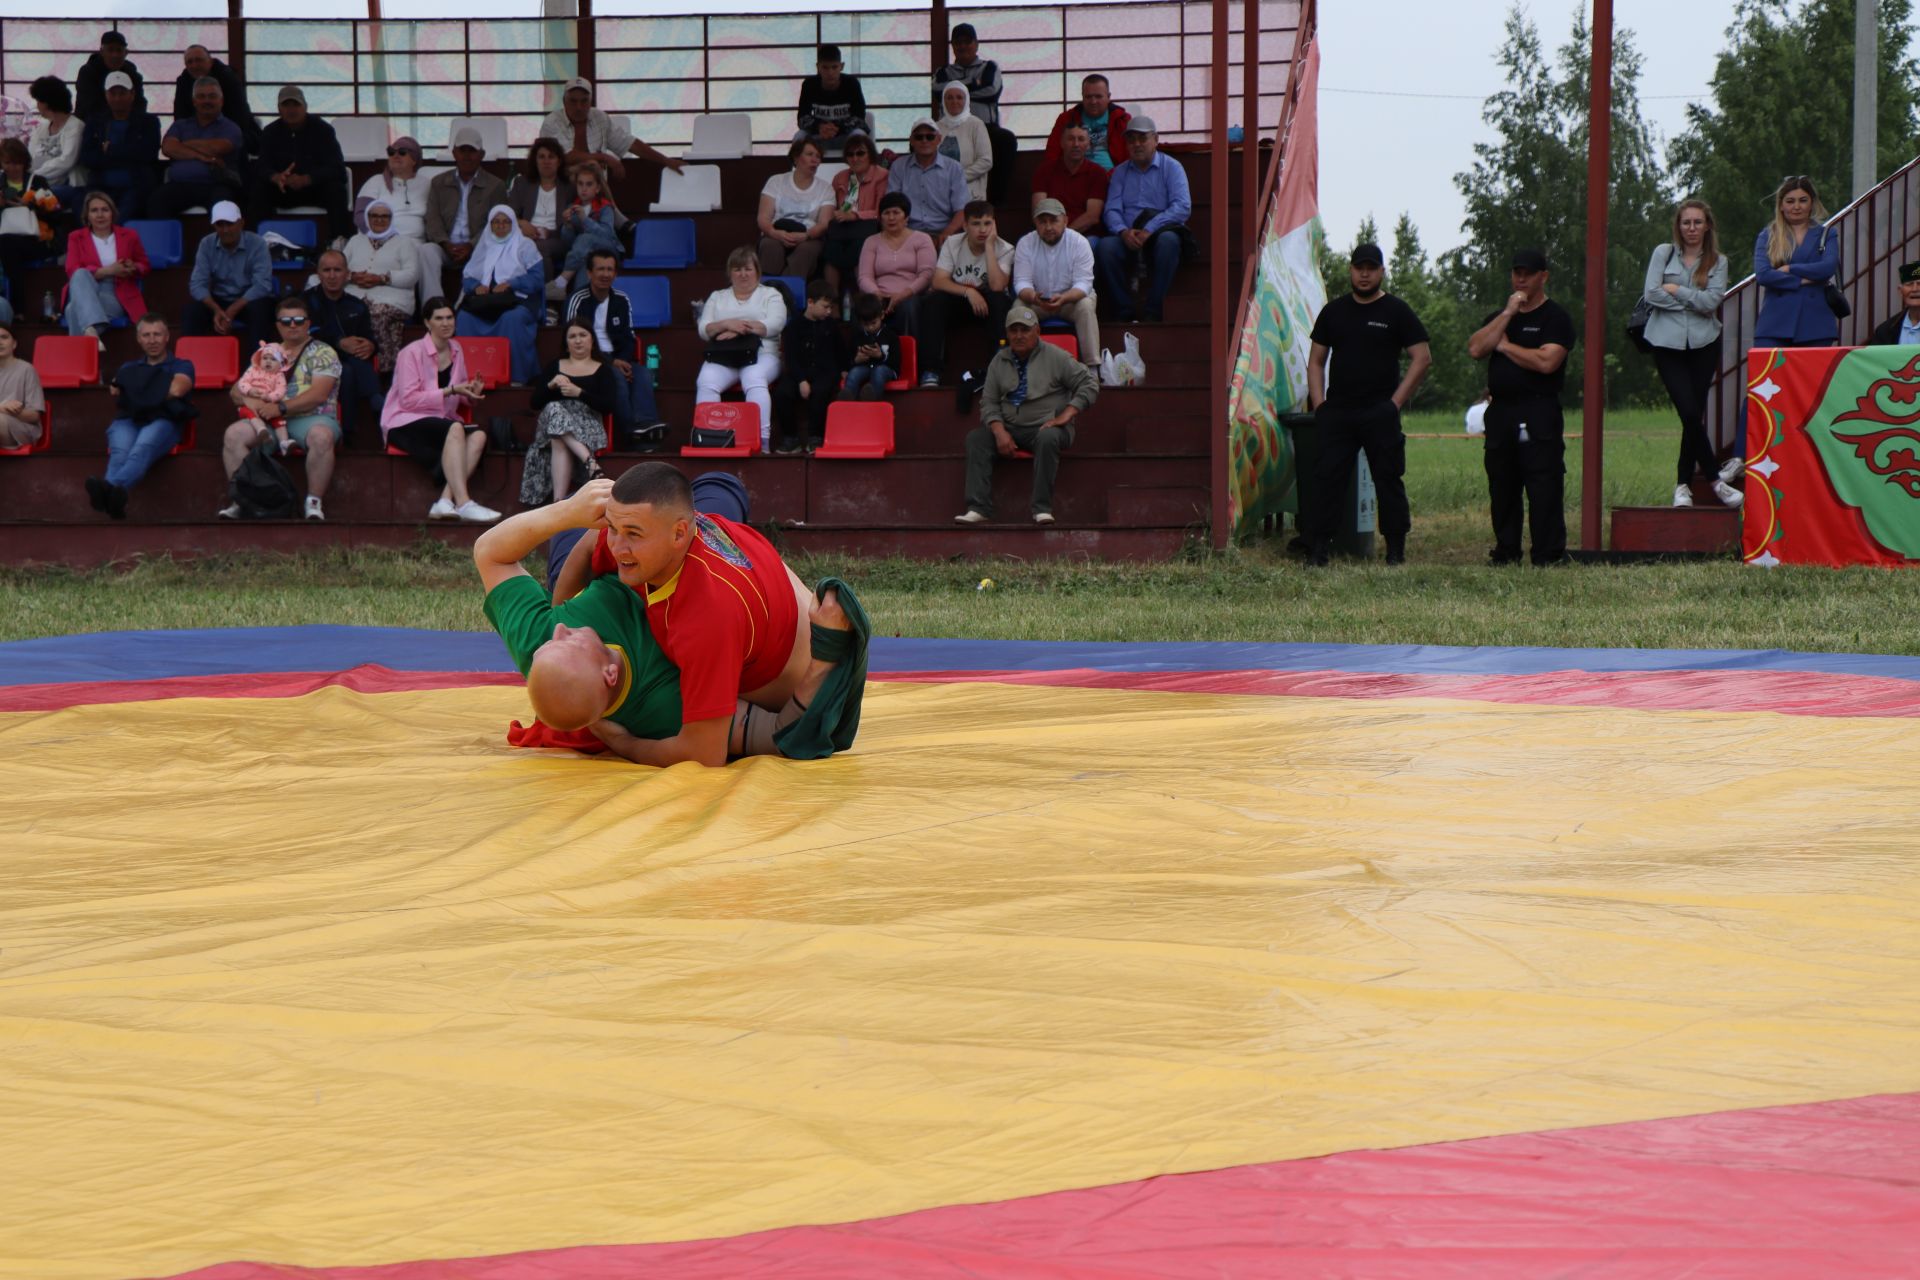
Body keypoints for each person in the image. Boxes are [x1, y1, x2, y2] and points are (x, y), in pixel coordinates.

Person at [551, 463, 869, 765]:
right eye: (613, 528)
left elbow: (703, 754)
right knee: (720, 482)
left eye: (632, 534)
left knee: (569, 536)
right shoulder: (655, 532)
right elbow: (591, 545)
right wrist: (557, 621)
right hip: (764, 598)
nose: (618, 545)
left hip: (791, 682)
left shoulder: (705, 619)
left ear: (679, 534)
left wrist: (622, 743)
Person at [1302, 243, 1432, 566]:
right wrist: (1320, 405)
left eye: (1371, 268)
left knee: (1388, 478)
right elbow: (1316, 361)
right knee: (1327, 478)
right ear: (1350, 269)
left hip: (1380, 410)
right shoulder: (1333, 312)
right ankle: (1318, 549)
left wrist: (1395, 403)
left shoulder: (1397, 311)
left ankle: (1395, 551)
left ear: (1381, 272)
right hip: (1339, 411)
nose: (1364, 273)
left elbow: (1422, 357)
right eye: (1359, 267)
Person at [1467, 248, 1576, 566]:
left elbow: (1546, 362)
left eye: (1528, 273)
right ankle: (1506, 551)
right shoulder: (1501, 317)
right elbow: (1476, 348)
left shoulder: (1556, 318)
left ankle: (1548, 553)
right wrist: (1507, 316)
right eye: (1517, 273)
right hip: (1501, 412)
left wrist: (1506, 347)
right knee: (1502, 483)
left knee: (1544, 483)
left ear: (1544, 277)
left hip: (1539, 411)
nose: (1521, 279)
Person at [956, 304, 1100, 525]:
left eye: (1025, 330)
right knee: (976, 438)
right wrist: (999, 430)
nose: (1019, 336)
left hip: (1045, 426)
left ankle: (1041, 508)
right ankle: (979, 507)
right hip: (1010, 426)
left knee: (1048, 438)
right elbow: (989, 401)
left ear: (1037, 331)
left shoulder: (1056, 356)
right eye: (1013, 331)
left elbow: (1089, 383)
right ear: (1007, 334)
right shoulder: (999, 360)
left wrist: (1068, 414)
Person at [1644, 198, 1738, 510]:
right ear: (1678, 226)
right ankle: (1715, 480)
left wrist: (1677, 291)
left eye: (1698, 222)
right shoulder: (1663, 253)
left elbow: (1711, 303)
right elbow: (1651, 294)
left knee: (1692, 416)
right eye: (1686, 222)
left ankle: (1682, 485)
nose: (1692, 229)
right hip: (1666, 343)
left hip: (1703, 344)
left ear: (1707, 225)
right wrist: (1690, 299)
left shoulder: (1718, 261)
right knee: (1686, 411)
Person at [219, 294, 343, 521]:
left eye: (298, 320)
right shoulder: (266, 353)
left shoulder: (324, 352)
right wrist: (251, 402)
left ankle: (313, 503)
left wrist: (281, 409)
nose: (292, 325)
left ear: (308, 323)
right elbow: (237, 391)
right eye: (286, 321)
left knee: (322, 437)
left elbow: (318, 394)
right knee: (233, 434)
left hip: (312, 417)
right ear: (278, 326)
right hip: (267, 419)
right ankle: (241, 499)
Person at [382, 296, 497, 523]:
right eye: (439, 318)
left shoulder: (456, 349)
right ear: (427, 323)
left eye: (449, 317)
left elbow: (458, 395)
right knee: (454, 428)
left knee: (480, 436)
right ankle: (464, 503)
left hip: (440, 420)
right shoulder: (411, 352)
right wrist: (451, 389)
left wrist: (471, 393)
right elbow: (408, 401)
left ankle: (445, 500)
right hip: (404, 421)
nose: (446, 323)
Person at [87, 313, 194, 519]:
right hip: (129, 419)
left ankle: (108, 489)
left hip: (165, 420)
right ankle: (114, 503)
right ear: (138, 339)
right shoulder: (129, 367)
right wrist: (157, 388)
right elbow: (115, 389)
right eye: (146, 335)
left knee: (141, 448)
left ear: (166, 337)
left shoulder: (182, 364)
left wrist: (137, 389)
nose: (152, 340)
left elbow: (178, 389)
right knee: (120, 452)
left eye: (157, 334)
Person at [564, 248, 666, 448]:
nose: (605, 274)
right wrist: (611, 362)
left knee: (643, 374)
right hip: (587, 361)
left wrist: (624, 361)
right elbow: (572, 341)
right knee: (616, 376)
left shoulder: (621, 299)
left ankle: (645, 424)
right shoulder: (578, 299)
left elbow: (629, 338)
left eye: (610, 269)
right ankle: (633, 433)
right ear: (589, 273)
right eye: (600, 269)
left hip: (618, 358)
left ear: (616, 274)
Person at [1096, 117, 1193, 323]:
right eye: (1131, 140)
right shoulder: (1120, 172)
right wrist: (1123, 231)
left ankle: (1153, 310)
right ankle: (1123, 310)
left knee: (1169, 241)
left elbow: (1182, 206)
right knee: (1105, 247)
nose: (1136, 144)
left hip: (1159, 234)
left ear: (1156, 139)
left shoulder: (1172, 167)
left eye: (1142, 138)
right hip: (1128, 235)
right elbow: (1111, 209)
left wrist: (1150, 228)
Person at [695, 247, 786, 450]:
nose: (743, 274)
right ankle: (709, 439)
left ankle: (761, 442)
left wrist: (739, 329)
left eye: (748, 269)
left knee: (753, 379)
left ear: (757, 271)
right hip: (724, 354)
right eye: (737, 269)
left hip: (763, 354)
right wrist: (726, 324)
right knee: (706, 381)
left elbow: (775, 324)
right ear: (730, 273)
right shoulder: (717, 296)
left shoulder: (771, 295)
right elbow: (704, 329)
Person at [523, 320, 619, 507]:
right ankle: (590, 463)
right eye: (572, 336)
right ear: (566, 343)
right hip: (551, 423)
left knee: (558, 437)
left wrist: (579, 393)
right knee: (554, 410)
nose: (578, 340)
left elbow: (609, 405)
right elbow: (535, 403)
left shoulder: (603, 369)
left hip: (588, 424)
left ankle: (557, 503)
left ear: (592, 340)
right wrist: (550, 386)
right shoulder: (554, 366)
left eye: (583, 335)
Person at [919, 199, 1011, 388]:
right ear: (965, 225)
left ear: (994, 224)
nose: (982, 230)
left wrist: (989, 248)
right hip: (961, 301)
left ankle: (998, 369)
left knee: (1000, 300)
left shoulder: (1005, 248)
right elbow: (938, 280)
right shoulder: (953, 243)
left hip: (989, 307)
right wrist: (968, 291)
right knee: (934, 301)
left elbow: (997, 286)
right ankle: (931, 371)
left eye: (987, 223)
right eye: (976, 224)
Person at [454, 204, 543, 386]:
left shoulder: (525, 245)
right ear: (490, 225)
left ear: (513, 225)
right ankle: (469, 376)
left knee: (512, 319)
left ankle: (516, 377)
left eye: (506, 222)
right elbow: (468, 276)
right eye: (496, 222)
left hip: (518, 300)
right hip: (487, 302)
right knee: (464, 317)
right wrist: (476, 286)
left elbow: (537, 279)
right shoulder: (484, 244)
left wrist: (512, 283)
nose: (501, 226)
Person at [249, 85, 349, 246]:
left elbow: (338, 169)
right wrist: (276, 177)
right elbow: (261, 167)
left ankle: (338, 242)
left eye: (296, 105)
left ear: (305, 107)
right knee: (258, 189)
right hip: (282, 190)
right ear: (279, 109)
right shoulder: (270, 132)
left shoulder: (323, 130)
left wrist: (308, 179)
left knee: (336, 189)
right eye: (286, 105)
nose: (291, 110)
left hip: (315, 190)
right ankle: (259, 243)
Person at [537, 76, 684, 184]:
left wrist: (666, 160)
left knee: (592, 171)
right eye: (573, 101)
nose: (579, 107)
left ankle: (611, 215)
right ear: (564, 101)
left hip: (595, 188)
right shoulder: (552, 122)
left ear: (591, 102)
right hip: (559, 185)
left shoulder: (599, 117)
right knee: (593, 166)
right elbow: (566, 157)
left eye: (584, 101)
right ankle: (618, 217)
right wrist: (605, 158)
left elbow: (630, 144)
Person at [1013, 198, 1100, 376]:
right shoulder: (1026, 243)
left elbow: (1084, 284)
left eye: (1054, 220)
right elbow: (1021, 282)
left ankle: (1092, 368)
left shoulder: (1079, 242)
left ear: (1065, 221)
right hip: (1038, 301)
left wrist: (1065, 298)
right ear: (1035, 223)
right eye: (1042, 222)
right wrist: (1032, 296)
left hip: (1071, 301)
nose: (1048, 227)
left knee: (1085, 306)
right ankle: (1019, 365)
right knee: (1017, 311)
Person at [932, 23, 1016, 205]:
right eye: (957, 42)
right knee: (921, 140)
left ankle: (995, 203)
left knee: (1006, 140)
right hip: (949, 128)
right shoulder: (943, 72)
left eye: (967, 42)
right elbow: (938, 91)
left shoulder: (989, 67)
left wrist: (958, 85)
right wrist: (974, 83)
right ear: (952, 46)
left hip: (985, 128)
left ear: (976, 44)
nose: (962, 46)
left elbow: (991, 90)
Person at [1753, 175, 1840, 349]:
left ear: (1812, 203)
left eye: (1803, 200)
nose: (1797, 206)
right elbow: (1763, 275)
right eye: (1790, 201)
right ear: (1781, 205)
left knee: (1814, 377)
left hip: (1816, 324)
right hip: (1774, 324)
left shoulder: (1827, 234)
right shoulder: (1767, 235)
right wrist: (1803, 280)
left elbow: (1827, 268)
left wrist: (1789, 268)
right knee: (1772, 376)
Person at [354, 135, 439, 311]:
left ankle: (432, 310)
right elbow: (360, 215)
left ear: (414, 159)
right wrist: (384, 238)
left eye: (402, 152)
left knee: (425, 253)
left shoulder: (427, 184)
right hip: (381, 241)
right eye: (391, 152)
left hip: (416, 243)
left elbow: (437, 216)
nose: (395, 156)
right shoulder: (375, 182)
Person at [305, 249, 380, 442]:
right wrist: (339, 342)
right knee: (345, 369)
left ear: (347, 274)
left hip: (352, 359)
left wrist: (370, 346)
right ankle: (370, 407)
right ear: (318, 274)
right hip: (313, 360)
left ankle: (373, 404)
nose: (331, 276)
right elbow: (307, 336)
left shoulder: (356, 304)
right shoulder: (305, 301)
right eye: (326, 270)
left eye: (337, 270)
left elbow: (368, 337)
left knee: (353, 362)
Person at [426, 126, 509, 294]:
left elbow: (495, 224)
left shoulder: (496, 186)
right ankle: (433, 303)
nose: (466, 156)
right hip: (445, 247)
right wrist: (445, 243)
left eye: (471, 151)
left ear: (482, 154)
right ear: (454, 153)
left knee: (495, 250)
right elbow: (432, 219)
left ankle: (474, 303)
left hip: (479, 247)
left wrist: (471, 245)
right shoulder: (438, 183)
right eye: (462, 150)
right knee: (425, 251)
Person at [62, 191, 148, 347]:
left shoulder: (129, 235)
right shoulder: (76, 237)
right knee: (80, 274)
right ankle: (91, 333)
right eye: (94, 210)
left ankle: (88, 335)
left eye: (105, 210)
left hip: (116, 291)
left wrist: (133, 267)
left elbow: (144, 264)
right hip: (84, 286)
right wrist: (108, 270)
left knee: (72, 309)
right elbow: (71, 270)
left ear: (112, 213)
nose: (100, 215)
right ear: (87, 215)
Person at [343, 200, 420, 372]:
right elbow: (339, 267)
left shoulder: (404, 243)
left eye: (385, 216)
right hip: (357, 296)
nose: (379, 220)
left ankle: (383, 369)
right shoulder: (356, 241)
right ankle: (356, 364)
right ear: (367, 218)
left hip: (394, 300)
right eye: (374, 216)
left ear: (391, 219)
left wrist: (382, 278)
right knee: (348, 311)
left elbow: (412, 275)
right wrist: (353, 276)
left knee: (377, 312)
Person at [183, 201, 276, 341]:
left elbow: (263, 284)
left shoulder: (257, 243)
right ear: (214, 226)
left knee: (261, 310)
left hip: (248, 299)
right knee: (191, 312)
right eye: (220, 224)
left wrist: (233, 309)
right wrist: (216, 309)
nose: (225, 229)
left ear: (241, 223)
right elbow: (197, 284)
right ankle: (190, 361)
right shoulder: (206, 244)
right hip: (218, 300)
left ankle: (257, 361)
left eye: (230, 224)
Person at [773, 277, 847, 453]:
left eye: (831, 307)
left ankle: (816, 437)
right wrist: (801, 380)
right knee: (782, 393)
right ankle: (791, 438)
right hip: (800, 372)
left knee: (821, 392)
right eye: (825, 307)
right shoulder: (794, 327)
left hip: (825, 372)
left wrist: (844, 369)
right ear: (810, 302)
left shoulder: (831, 325)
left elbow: (840, 350)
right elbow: (791, 357)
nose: (828, 311)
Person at [154, 77, 244, 218]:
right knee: (157, 201)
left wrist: (183, 144)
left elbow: (217, 148)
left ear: (221, 100)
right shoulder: (180, 125)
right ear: (194, 102)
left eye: (212, 96)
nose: (206, 101)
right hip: (181, 184)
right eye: (201, 97)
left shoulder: (231, 127)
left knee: (223, 209)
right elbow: (168, 148)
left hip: (217, 184)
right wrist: (200, 156)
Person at [79, 71, 160, 218]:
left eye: (122, 93)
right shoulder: (95, 122)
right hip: (100, 186)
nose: (117, 98)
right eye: (113, 93)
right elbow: (87, 157)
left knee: (121, 219)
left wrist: (109, 150)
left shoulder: (149, 122)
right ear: (106, 95)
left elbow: (148, 154)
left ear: (132, 94)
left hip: (135, 187)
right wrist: (127, 154)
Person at [857, 191, 936, 336]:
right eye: (886, 213)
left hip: (912, 295)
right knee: (866, 308)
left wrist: (902, 295)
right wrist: (877, 294)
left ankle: (909, 355)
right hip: (880, 295)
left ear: (906, 217)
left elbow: (926, 274)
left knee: (908, 307)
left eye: (896, 212)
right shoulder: (871, 241)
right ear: (880, 218)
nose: (891, 217)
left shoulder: (922, 239)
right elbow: (864, 276)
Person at [756, 137, 834, 281]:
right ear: (796, 157)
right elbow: (763, 218)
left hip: (809, 236)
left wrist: (806, 235)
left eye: (818, 156)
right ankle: (767, 292)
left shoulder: (826, 189)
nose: (815, 160)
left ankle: (786, 294)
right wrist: (775, 233)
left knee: (806, 250)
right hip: (777, 231)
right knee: (770, 246)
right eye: (810, 154)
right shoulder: (776, 181)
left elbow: (824, 224)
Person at [506, 137, 576, 296]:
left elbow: (574, 221)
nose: (546, 161)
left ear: (559, 161)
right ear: (535, 161)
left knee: (539, 248)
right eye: (541, 156)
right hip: (526, 236)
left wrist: (549, 233)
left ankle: (548, 299)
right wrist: (521, 223)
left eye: (551, 157)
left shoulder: (569, 186)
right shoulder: (521, 183)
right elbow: (508, 214)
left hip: (557, 238)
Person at [822, 134, 887, 299]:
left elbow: (882, 210)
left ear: (870, 154)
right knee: (831, 248)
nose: (855, 158)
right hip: (843, 225)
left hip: (869, 225)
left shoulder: (882, 176)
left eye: (860, 153)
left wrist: (855, 215)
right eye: (850, 154)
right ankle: (832, 301)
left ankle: (864, 300)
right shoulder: (840, 177)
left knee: (860, 247)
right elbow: (833, 205)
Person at [546, 160, 621, 302]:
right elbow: (569, 243)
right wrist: (567, 226)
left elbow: (607, 234)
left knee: (586, 239)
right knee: (584, 266)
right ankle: (579, 309)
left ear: (597, 188)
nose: (584, 189)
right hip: (585, 255)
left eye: (589, 184)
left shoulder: (605, 207)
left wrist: (585, 219)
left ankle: (561, 281)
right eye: (580, 184)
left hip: (608, 251)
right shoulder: (572, 207)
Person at [0, 139, 58, 319]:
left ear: (25, 162)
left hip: (35, 241)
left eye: (17, 163)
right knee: (7, 245)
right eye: (8, 163)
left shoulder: (38, 181)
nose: (13, 167)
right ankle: (16, 310)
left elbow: (54, 214)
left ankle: (17, 308)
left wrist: (32, 204)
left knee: (6, 245)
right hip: (6, 242)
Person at [887, 119, 968, 247]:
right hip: (907, 233)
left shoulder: (954, 168)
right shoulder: (898, 166)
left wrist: (947, 233)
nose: (924, 141)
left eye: (930, 137)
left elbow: (962, 210)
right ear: (911, 141)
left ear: (939, 139)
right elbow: (892, 206)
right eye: (919, 137)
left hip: (944, 233)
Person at [173, 44, 259, 155]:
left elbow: (240, 116)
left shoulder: (228, 78)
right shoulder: (183, 81)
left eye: (199, 60)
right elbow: (180, 115)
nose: (194, 65)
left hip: (228, 129)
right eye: (190, 62)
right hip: (195, 133)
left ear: (210, 61)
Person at [1031, 125, 1108, 238]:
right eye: (1071, 139)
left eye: (1081, 139)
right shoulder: (1044, 171)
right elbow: (1038, 210)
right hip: (1048, 233)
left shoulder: (1097, 173)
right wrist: (1053, 232)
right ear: (1062, 143)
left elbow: (1092, 216)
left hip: (1085, 236)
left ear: (1088, 145)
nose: (1076, 144)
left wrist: (1063, 234)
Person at [1042, 75, 1131, 170]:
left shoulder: (1122, 119)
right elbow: (1052, 154)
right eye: (1088, 97)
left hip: (1113, 177)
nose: (1093, 101)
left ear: (1108, 97)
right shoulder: (1066, 119)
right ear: (1082, 97)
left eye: (1098, 96)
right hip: (1075, 177)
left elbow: (1131, 156)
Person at [795, 44, 870, 155]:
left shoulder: (852, 84)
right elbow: (802, 118)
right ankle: (800, 172)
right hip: (818, 136)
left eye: (834, 67)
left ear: (841, 66)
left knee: (859, 136)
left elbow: (859, 118)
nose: (830, 73)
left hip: (846, 136)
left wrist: (838, 128)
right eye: (825, 67)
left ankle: (861, 172)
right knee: (799, 137)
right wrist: (819, 127)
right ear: (818, 67)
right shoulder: (809, 85)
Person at [27, 76, 87, 208]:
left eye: (38, 101)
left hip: (68, 186)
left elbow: (67, 160)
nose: (37, 106)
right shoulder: (42, 127)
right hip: (37, 182)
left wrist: (34, 176)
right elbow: (30, 156)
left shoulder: (75, 126)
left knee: (34, 199)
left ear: (47, 103)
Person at [934, 82, 992, 202]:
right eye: (949, 97)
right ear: (943, 101)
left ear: (967, 100)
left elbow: (985, 161)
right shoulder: (937, 127)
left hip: (970, 193)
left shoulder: (976, 124)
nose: (954, 101)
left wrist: (958, 177)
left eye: (959, 97)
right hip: (940, 191)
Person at [74, 29, 145, 122]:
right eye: (110, 50)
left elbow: (140, 103)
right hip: (91, 124)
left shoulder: (132, 73)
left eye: (119, 50)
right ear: (102, 52)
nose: (115, 55)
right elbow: (86, 106)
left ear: (126, 53)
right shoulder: (88, 72)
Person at [843, 293, 902, 401]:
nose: (870, 327)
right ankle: (846, 401)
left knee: (879, 371)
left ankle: (871, 400)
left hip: (886, 369)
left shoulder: (891, 336)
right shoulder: (857, 337)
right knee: (854, 373)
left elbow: (896, 363)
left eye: (874, 323)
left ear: (882, 315)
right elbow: (848, 361)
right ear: (860, 322)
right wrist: (856, 360)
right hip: (864, 367)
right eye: (866, 324)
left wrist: (880, 356)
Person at [0, 323, 46, 448]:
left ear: (14, 344)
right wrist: (3, 407)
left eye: (4, 337)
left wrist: (8, 411)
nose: (0, 342)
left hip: (22, 428)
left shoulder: (26, 369)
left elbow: (34, 416)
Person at [1869, 260, 1920, 346]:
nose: (1914, 289)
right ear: (1900, 291)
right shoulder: (1886, 330)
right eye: (1909, 284)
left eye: (1919, 283)